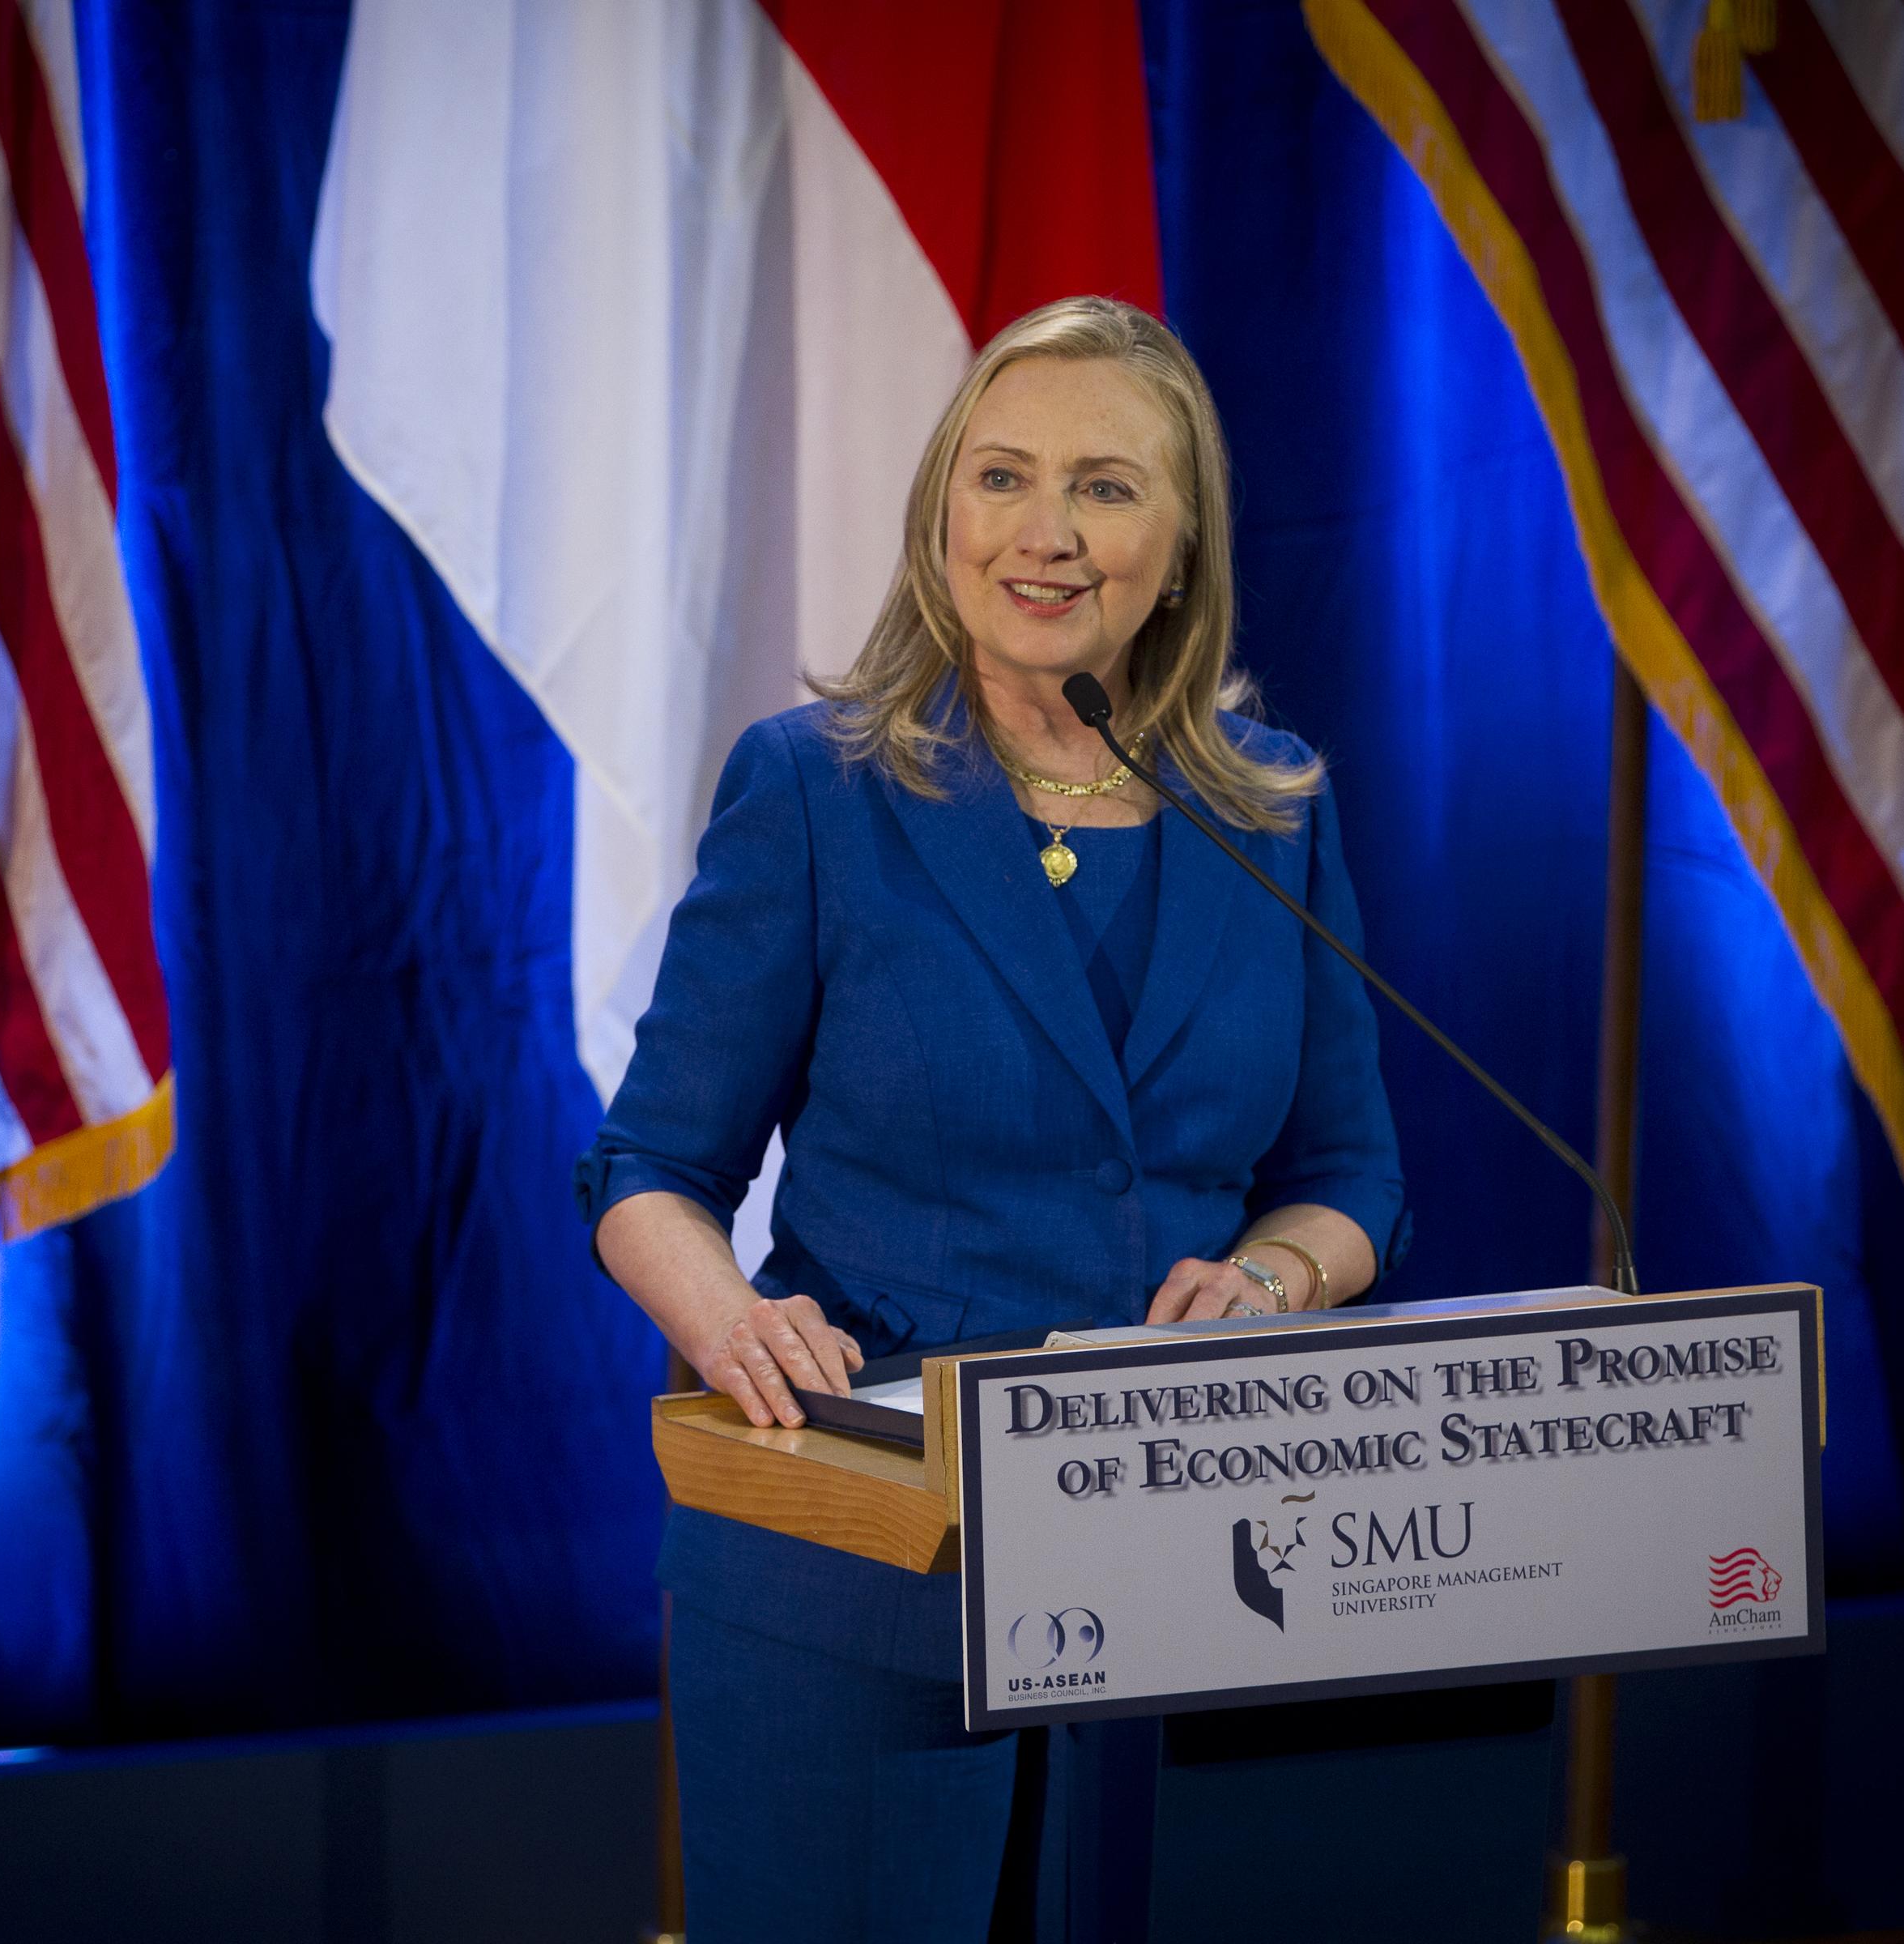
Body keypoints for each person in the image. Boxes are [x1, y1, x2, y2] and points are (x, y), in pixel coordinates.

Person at [573, 296, 1408, 1942]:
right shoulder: (816, 789)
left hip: (1204, 1580)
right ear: (941, 517)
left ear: (1179, 549)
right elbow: (647, 1170)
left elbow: (1345, 1177)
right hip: (865, 1582)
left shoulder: (1273, 805)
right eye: (1003, 477)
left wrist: (1270, 1283)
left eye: (1105, 487)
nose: (1047, 532)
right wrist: (733, 1321)